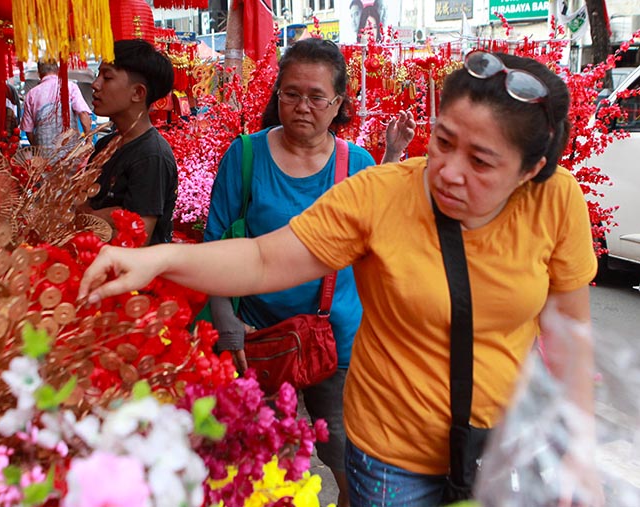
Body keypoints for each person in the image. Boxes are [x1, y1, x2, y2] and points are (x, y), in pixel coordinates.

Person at [78, 51, 602, 507]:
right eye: (443, 141)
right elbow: (263, 259)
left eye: (482, 160)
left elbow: (569, 338)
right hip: (392, 455)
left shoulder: (556, 202)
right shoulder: (381, 192)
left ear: (531, 170)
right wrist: (157, 260)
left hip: (501, 449)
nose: (448, 170)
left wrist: (579, 450)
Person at [206, 38, 414, 507]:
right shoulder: (243, 158)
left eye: (317, 97)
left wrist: (392, 164)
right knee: (247, 463)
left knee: (351, 467)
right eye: (291, 93)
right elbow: (216, 248)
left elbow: (381, 241)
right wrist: (227, 326)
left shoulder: (357, 165)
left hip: (338, 345)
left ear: (338, 103)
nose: (302, 106)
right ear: (277, 93)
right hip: (257, 340)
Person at [82, 39, 178, 246]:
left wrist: (91, 218)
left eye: (107, 77)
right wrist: (105, 216)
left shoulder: (151, 156)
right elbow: (78, 208)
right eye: (98, 75)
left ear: (138, 93)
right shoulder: (106, 144)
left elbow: (136, 240)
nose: (95, 84)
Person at [20, 61, 92, 147]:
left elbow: (28, 130)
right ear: (58, 71)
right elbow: (83, 114)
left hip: (45, 154)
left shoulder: (31, 94)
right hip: (70, 153)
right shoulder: (70, 87)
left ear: (38, 73)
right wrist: (89, 142)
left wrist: (38, 149)